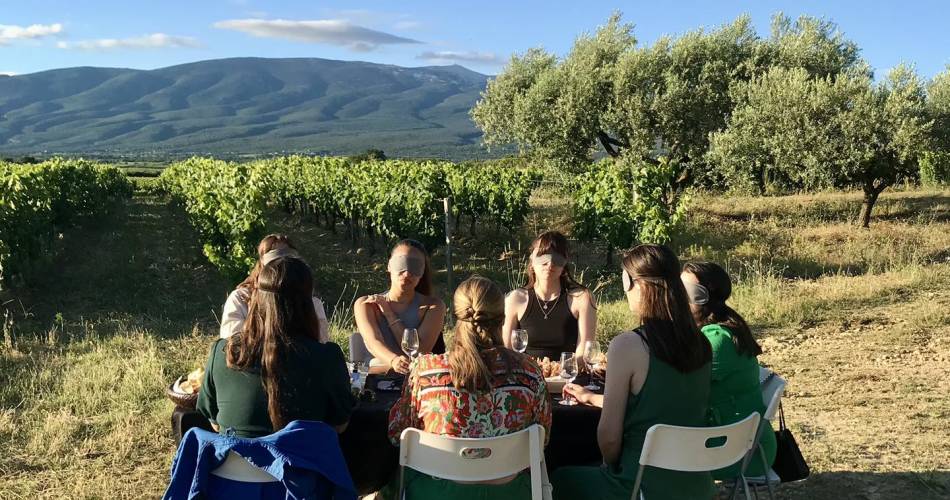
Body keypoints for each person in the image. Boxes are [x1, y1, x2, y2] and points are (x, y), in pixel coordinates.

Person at [552, 244, 715, 500]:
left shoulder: (629, 345)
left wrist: (610, 464)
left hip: (638, 487)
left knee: (557, 477)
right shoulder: (702, 343)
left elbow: (608, 440)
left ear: (637, 284)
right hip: (697, 486)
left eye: (625, 280)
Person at [387, 276, 552, 499]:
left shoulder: (424, 372)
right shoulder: (529, 373)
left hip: (437, 493)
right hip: (511, 493)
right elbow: (543, 438)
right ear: (502, 318)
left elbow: (397, 434)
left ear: (455, 317)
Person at [197, 256, 354, 438]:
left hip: (235, 464)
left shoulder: (225, 351)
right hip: (299, 464)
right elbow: (340, 425)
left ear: (257, 300)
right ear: (307, 305)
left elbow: (215, 424)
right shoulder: (326, 356)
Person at [682, 261, 776, 479]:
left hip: (739, 454)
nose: (676, 296)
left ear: (704, 297)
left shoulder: (716, 340)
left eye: (684, 290)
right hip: (736, 441)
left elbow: (673, 384)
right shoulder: (720, 326)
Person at [354, 239, 446, 375]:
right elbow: (374, 341)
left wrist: (389, 314)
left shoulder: (433, 307)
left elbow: (418, 354)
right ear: (389, 266)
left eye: (415, 266)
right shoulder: (366, 304)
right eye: (401, 264)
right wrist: (393, 361)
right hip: (371, 381)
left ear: (422, 272)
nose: (407, 273)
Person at [502, 231, 596, 361]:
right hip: (525, 375)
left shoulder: (581, 299)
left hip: (566, 376)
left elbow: (584, 350)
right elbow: (507, 350)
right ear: (532, 260)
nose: (550, 264)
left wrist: (562, 372)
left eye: (557, 258)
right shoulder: (515, 299)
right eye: (542, 256)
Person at [220, 234, 329, 343]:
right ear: (263, 267)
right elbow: (232, 343)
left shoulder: (311, 302)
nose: (282, 271)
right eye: (275, 266)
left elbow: (320, 342)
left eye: (288, 265)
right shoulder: (241, 299)